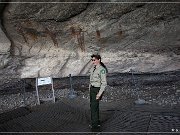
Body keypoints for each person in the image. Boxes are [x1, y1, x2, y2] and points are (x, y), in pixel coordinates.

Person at [89, 54, 107, 132]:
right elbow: (91, 78)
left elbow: (104, 83)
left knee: (94, 107)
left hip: (97, 89)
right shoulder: (93, 68)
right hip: (92, 89)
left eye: (94, 60)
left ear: (99, 60)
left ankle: (95, 127)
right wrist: (89, 87)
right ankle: (96, 122)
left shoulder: (102, 70)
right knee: (93, 106)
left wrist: (99, 94)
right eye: (92, 60)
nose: (93, 61)